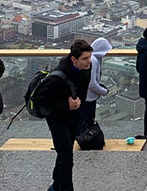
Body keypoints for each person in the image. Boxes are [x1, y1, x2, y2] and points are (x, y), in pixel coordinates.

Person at [33, 40, 92, 191]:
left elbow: (83, 91)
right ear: (74, 59)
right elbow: (39, 99)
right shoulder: (57, 78)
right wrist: (67, 105)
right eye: (85, 58)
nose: (89, 61)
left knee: (64, 153)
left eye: (90, 57)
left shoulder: (85, 69)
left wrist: (78, 107)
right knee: (66, 157)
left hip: (73, 117)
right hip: (57, 119)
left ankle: (56, 186)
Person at [80, 37, 112, 135]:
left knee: (83, 120)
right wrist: (103, 91)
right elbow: (91, 83)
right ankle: (85, 140)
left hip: (84, 94)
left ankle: (83, 139)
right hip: (88, 96)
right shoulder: (93, 60)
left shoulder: (90, 58)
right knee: (87, 120)